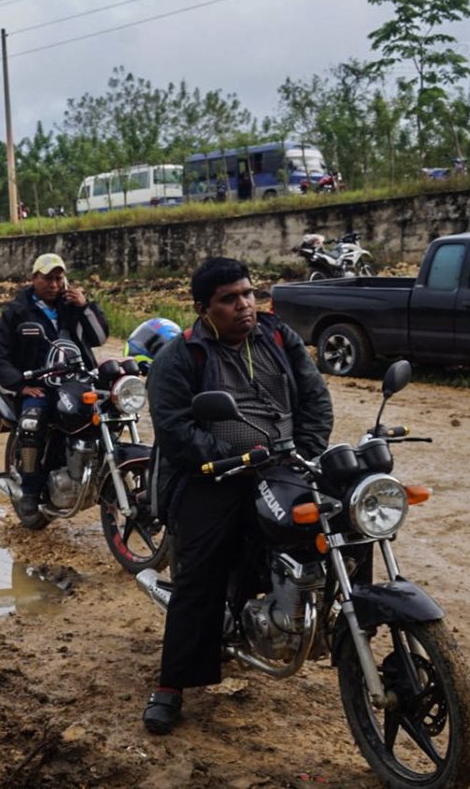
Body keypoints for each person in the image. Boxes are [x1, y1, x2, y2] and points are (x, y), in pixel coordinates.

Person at [141, 256, 333, 735]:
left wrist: (302, 454)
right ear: (205, 308)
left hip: (284, 466)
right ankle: (172, 685)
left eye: (248, 293)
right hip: (215, 475)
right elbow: (175, 429)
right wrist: (231, 458)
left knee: (338, 524)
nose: (244, 305)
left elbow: (315, 399)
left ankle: (337, 626)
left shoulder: (278, 337)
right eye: (229, 299)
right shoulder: (180, 356)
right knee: (201, 571)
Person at [0, 253, 109, 527]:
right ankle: (29, 490)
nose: (54, 284)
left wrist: (85, 306)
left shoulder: (72, 306)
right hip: (38, 385)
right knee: (33, 421)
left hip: (76, 381)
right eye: (48, 278)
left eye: (58, 278)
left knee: (110, 408)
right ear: (34, 279)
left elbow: (99, 337)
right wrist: (21, 385)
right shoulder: (16, 312)